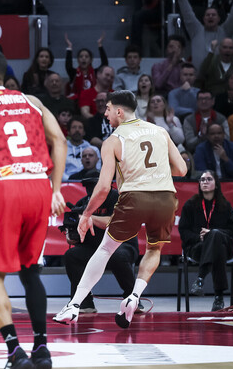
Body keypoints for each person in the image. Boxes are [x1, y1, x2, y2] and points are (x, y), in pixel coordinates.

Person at [0, 50, 66, 369]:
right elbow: (59, 140)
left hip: (6, 184)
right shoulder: (32, 101)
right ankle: (42, 349)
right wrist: (57, 188)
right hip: (39, 184)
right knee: (32, 271)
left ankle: (15, 352)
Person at [54, 90, 187, 328]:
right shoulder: (160, 131)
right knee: (154, 249)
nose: (104, 113)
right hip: (166, 197)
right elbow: (181, 170)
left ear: (119, 111)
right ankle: (134, 296)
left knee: (105, 250)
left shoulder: (113, 140)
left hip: (135, 197)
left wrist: (86, 215)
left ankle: (73, 306)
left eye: (107, 108)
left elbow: (104, 187)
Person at [61, 178, 142, 314]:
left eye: (94, 186)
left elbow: (115, 222)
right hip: (94, 248)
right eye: (89, 188)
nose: (91, 191)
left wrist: (89, 218)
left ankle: (132, 299)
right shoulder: (83, 203)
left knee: (117, 256)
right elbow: (74, 237)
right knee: (71, 256)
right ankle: (84, 303)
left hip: (122, 244)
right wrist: (72, 234)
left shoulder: (118, 198)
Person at [178, 170, 233, 311]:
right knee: (218, 249)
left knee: (216, 236)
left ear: (216, 184)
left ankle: (200, 278)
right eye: (202, 180)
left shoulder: (225, 205)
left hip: (223, 246)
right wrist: (198, 237)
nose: (204, 182)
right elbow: (183, 231)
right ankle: (219, 297)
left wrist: (213, 233)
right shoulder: (191, 204)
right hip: (197, 248)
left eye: (208, 179)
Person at [175, 0, 233, 68]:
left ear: (219, 19)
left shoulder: (225, 31)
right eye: (207, 15)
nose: (210, 17)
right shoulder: (196, 30)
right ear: (204, 19)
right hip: (198, 78)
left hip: (220, 79)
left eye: (213, 15)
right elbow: (187, 14)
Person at [64, 32, 108, 101]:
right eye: (81, 56)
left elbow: (105, 64)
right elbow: (68, 65)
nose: (83, 58)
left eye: (86, 56)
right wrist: (69, 47)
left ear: (91, 60)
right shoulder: (74, 73)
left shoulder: (96, 73)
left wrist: (100, 45)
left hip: (93, 101)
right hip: (77, 102)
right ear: (78, 60)